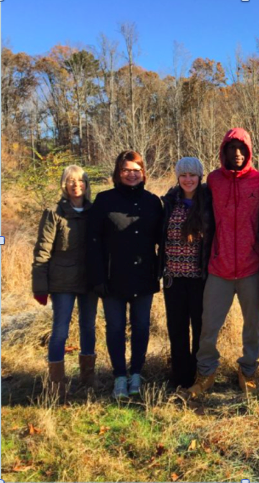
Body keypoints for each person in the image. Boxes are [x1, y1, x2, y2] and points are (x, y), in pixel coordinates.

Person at [187, 128, 259, 397]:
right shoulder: (213, 180)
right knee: (209, 325)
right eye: (231, 148)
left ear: (249, 152)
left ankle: (248, 371)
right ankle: (206, 372)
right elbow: (190, 196)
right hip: (219, 268)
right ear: (222, 151)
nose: (236, 154)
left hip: (250, 267)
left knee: (252, 327)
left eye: (241, 149)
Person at [88, 150, 162, 399]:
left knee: (141, 327)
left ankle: (136, 374)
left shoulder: (153, 202)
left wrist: (159, 270)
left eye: (136, 170)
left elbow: (162, 240)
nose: (132, 174)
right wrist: (97, 277)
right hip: (112, 278)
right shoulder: (104, 200)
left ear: (143, 173)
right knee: (116, 328)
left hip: (144, 276)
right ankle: (120, 376)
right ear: (118, 173)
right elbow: (93, 241)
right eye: (126, 170)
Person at [32, 165, 98, 399]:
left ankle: (88, 381)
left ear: (86, 185)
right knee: (60, 331)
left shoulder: (94, 211)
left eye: (80, 181)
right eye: (71, 181)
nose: (76, 185)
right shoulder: (54, 213)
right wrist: (40, 286)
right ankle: (56, 384)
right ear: (64, 185)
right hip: (62, 281)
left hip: (89, 281)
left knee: (88, 328)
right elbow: (42, 250)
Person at [159, 157, 214, 389]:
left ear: (200, 176)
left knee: (201, 328)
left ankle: (200, 376)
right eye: (183, 175)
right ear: (178, 177)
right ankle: (181, 377)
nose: (188, 179)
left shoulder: (208, 203)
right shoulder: (170, 201)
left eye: (192, 175)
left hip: (200, 278)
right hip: (173, 278)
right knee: (177, 328)